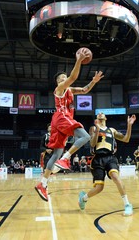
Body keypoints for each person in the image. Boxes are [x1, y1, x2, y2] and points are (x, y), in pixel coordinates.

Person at [35, 49, 104, 202]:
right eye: (62, 79)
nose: (64, 80)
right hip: (61, 117)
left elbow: (85, 89)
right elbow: (73, 77)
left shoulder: (71, 90)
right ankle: (66, 158)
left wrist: (94, 81)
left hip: (60, 122)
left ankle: (42, 184)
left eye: (64, 78)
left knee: (55, 154)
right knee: (85, 136)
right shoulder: (59, 89)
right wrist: (79, 60)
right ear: (58, 82)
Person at [78, 113, 136, 216]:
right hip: (97, 159)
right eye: (98, 114)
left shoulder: (112, 130)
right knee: (99, 188)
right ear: (97, 118)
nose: (100, 114)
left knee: (115, 177)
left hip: (110, 157)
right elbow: (92, 144)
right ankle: (83, 198)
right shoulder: (93, 128)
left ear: (106, 118)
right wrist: (97, 130)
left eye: (102, 113)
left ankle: (127, 204)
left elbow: (126, 139)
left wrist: (129, 125)